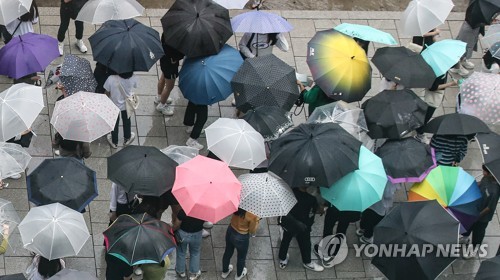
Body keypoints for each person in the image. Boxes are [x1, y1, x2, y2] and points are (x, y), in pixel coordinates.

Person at [278, 187, 324, 272]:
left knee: (285, 241)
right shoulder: (311, 199)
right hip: (303, 227)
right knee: (305, 244)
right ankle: (307, 262)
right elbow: (314, 212)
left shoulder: (288, 193)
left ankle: (282, 258)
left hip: (289, 224)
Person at [462, 165, 500, 258]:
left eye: (484, 171)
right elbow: (481, 183)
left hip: (482, 217)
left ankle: (474, 250)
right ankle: (465, 238)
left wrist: (477, 216)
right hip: (475, 208)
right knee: (468, 225)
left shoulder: (495, 191)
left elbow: (489, 208)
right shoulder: (486, 177)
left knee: (478, 233)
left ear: (490, 173)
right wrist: (472, 184)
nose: (483, 173)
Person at [414, 74, 457, 143]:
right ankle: (419, 134)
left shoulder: (441, 69)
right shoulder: (437, 72)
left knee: (425, 115)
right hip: (432, 98)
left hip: (435, 96)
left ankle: (418, 128)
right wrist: (451, 84)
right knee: (426, 116)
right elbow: (433, 87)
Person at [221, 208, 260, 280]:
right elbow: (252, 230)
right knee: (241, 257)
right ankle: (239, 274)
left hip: (231, 230)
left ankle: (225, 271)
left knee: (227, 252)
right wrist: (257, 220)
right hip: (242, 237)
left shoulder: (237, 205)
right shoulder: (253, 213)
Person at [104, 72, 138, 149]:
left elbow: (106, 93)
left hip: (113, 105)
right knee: (127, 121)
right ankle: (127, 138)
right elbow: (135, 86)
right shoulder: (134, 77)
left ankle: (114, 141)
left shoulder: (111, 78)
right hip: (127, 105)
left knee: (114, 123)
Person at [155, 33, 183, 116]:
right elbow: (179, 54)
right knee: (169, 86)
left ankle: (159, 97)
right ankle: (162, 105)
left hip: (164, 60)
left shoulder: (168, 32)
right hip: (171, 64)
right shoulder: (178, 39)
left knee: (163, 77)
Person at [173, 209, 205, 280]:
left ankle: (180, 271)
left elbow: (177, 224)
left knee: (181, 252)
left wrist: (172, 230)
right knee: (195, 253)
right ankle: (193, 273)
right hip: (197, 234)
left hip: (182, 234)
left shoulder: (184, 210)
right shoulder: (204, 211)